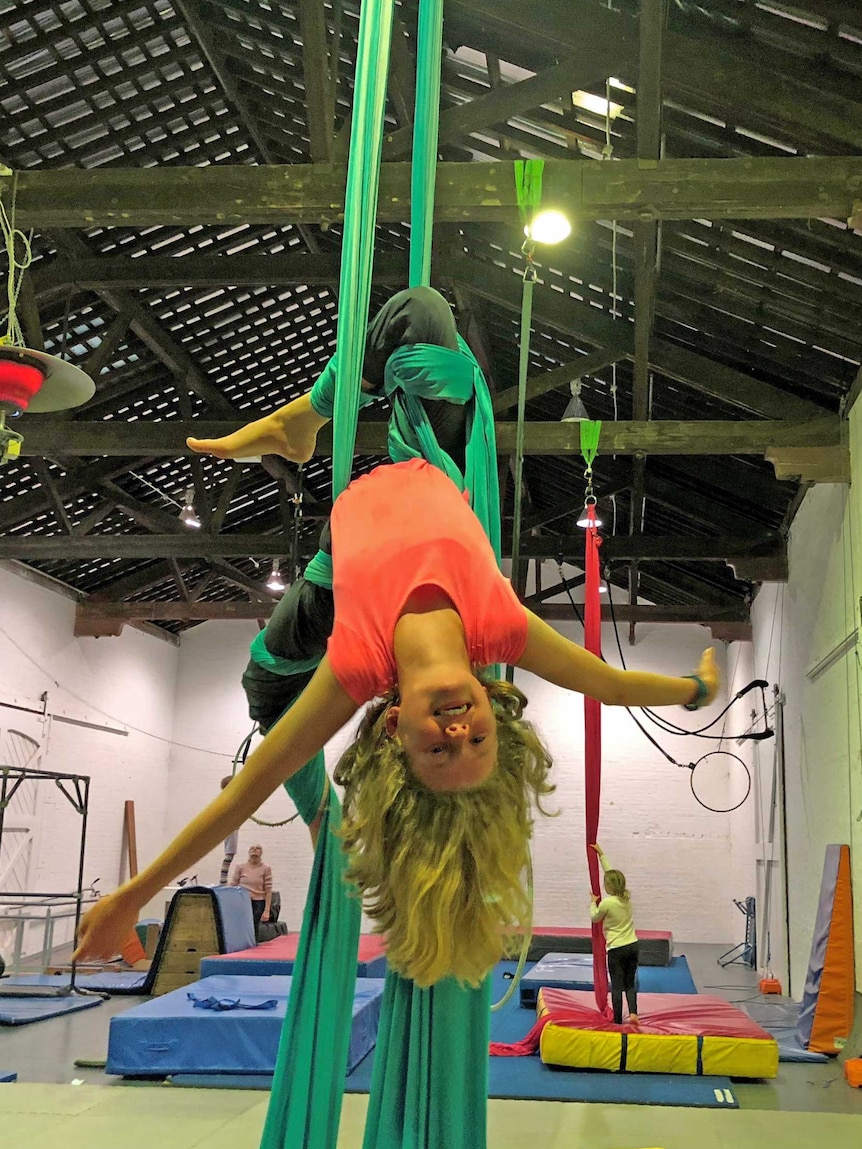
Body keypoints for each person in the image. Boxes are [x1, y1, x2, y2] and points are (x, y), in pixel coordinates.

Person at [74, 453, 719, 989]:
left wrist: (132, 896)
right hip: (430, 467)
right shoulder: (500, 626)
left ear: (394, 730)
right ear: (494, 705)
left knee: (267, 690)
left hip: (322, 585)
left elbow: (247, 792)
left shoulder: (358, 664)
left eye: (440, 753)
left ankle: (305, 422)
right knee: (433, 339)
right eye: (478, 742)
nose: (458, 732)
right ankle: (307, 422)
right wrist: (694, 689)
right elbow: (609, 685)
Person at [589, 842, 639, 1027]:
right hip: (633, 945)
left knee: (617, 985)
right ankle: (633, 1013)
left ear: (609, 887)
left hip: (617, 949)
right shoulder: (625, 898)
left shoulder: (607, 903)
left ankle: (618, 1021)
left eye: (605, 884)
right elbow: (612, 874)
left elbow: (595, 918)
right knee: (630, 983)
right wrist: (601, 854)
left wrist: (592, 902)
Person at [229, 843, 273, 935]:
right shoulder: (240, 867)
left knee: (253, 926)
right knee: (240, 925)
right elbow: (233, 885)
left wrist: (267, 910)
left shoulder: (266, 869)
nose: (254, 849)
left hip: (258, 902)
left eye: (257, 848)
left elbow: (268, 891)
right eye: (252, 848)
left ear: (261, 853)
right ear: (249, 852)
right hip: (242, 900)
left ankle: (254, 945)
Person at [219, 775, 238, 885]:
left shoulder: (230, 796)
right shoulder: (228, 797)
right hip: (229, 824)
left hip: (232, 824)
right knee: (230, 852)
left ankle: (223, 880)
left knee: (231, 852)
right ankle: (223, 880)